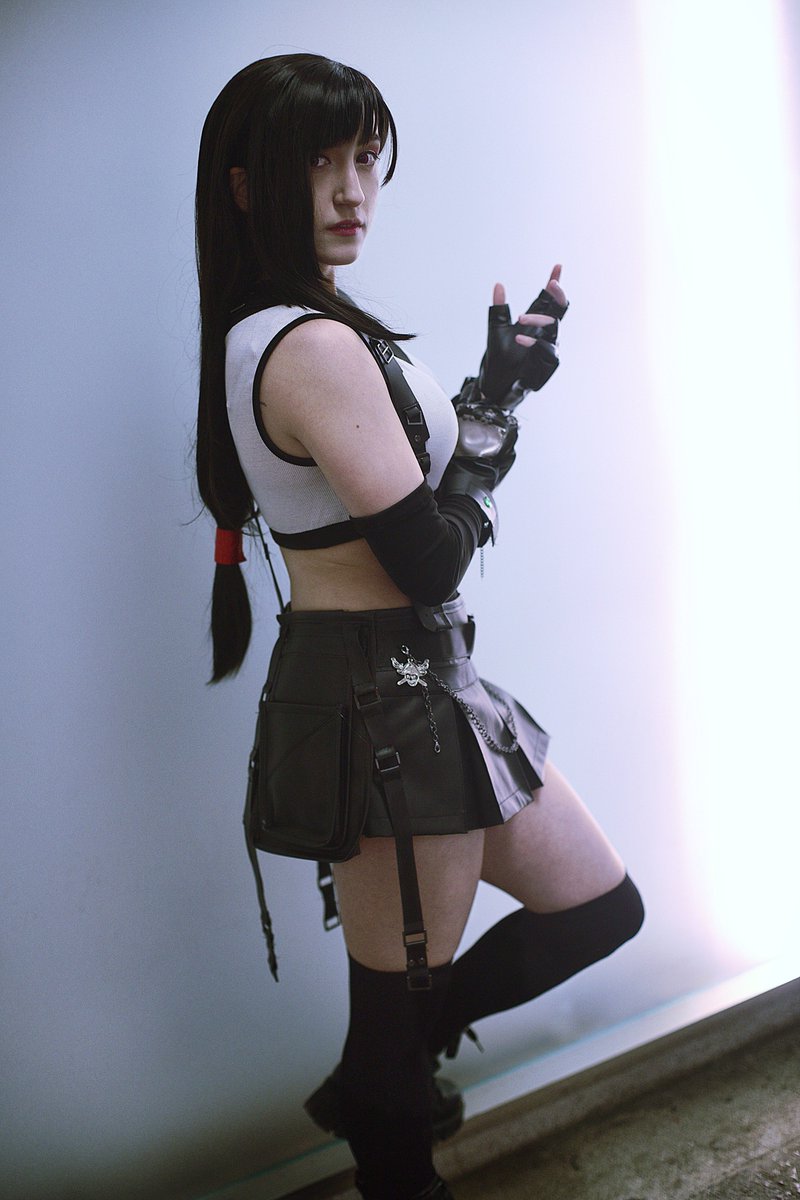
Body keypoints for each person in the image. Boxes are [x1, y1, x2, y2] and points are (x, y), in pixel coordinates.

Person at [194, 53, 644, 1200]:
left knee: (596, 909)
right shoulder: (305, 345)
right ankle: (381, 1084)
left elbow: (413, 503)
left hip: (419, 682)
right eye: (319, 161)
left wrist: (496, 390)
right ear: (247, 185)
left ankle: (377, 1071)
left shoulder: (304, 328)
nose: (352, 189)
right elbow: (429, 553)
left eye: (363, 158)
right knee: (396, 1047)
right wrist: (488, 432)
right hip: (380, 703)